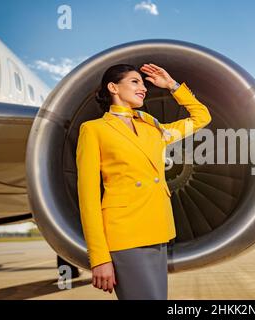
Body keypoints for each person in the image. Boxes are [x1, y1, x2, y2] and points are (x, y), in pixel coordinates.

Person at [76, 63, 212, 299]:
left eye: (143, 83)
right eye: (135, 82)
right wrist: (99, 258)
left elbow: (201, 117)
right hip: (125, 236)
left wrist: (172, 85)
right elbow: (88, 199)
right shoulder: (93, 130)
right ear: (113, 88)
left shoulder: (154, 130)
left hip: (158, 233)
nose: (144, 88)